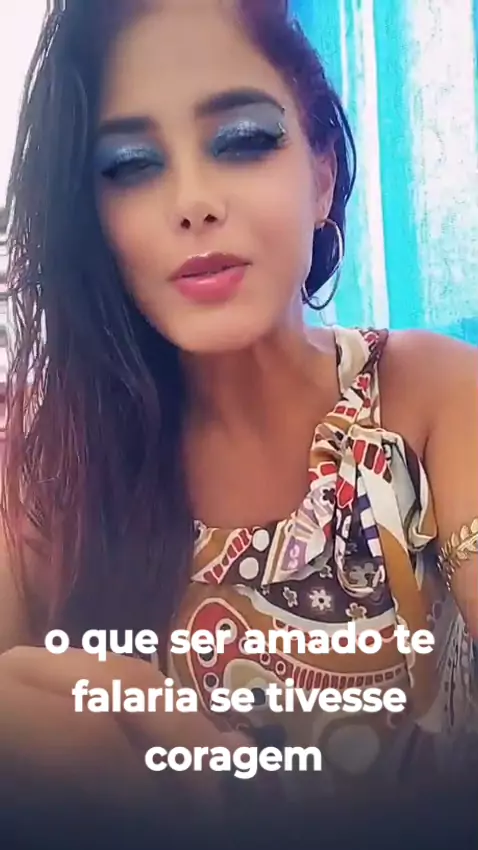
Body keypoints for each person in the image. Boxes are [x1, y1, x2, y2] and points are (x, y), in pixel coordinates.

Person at [0, 0, 477, 832]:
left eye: (244, 140)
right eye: (131, 165)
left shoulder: (431, 398)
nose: (193, 201)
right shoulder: (41, 463)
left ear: (322, 174)